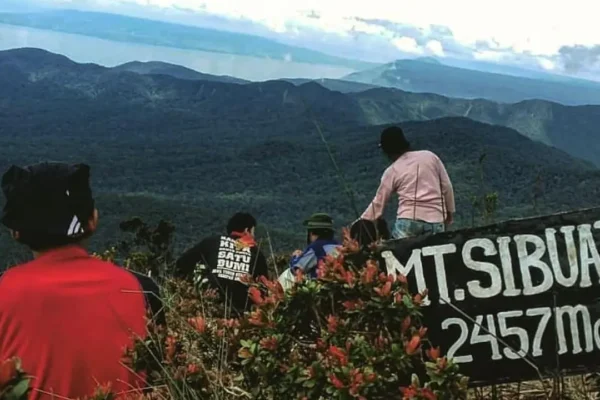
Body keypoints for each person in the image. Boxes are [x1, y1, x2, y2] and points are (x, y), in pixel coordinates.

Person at [0, 162, 163, 400]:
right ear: (92, 221)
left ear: (16, 232)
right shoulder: (142, 289)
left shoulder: (3, 289)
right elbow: (159, 379)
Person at [361, 126, 455, 240]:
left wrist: (361, 222)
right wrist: (449, 212)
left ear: (386, 151)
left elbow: (378, 204)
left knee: (401, 256)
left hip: (407, 220)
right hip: (436, 220)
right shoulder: (430, 157)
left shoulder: (392, 171)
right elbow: (447, 187)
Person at [175, 212, 269, 315]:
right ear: (247, 230)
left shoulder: (211, 242)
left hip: (209, 306)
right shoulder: (256, 252)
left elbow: (181, 264)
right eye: (253, 232)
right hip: (241, 313)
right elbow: (265, 286)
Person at [287, 213, 340, 278]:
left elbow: (298, 269)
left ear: (311, 233)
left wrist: (295, 257)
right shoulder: (339, 245)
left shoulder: (316, 248)